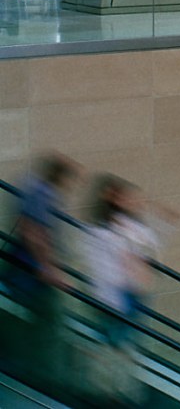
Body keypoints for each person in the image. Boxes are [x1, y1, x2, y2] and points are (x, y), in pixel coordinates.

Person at [83, 174, 170, 403]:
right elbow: (107, 268)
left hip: (133, 294)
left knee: (125, 346)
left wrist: (160, 221)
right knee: (116, 345)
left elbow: (151, 245)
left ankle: (117, 392)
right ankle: (107, 392)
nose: (133, 202)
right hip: (115, 297)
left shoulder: (129, 226)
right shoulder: (101, 231)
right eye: (127, 198)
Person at [8, 154, 76, 391]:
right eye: (69, 178)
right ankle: (48, 384)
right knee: (52, 325)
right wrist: (48, 268)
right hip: (36, 276)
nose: (70, 184)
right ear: (60, 175)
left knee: (44, 324)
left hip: (32, 272)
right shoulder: (42, 192)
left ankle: (38, 377)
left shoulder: (33, 187)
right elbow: (34, 232)